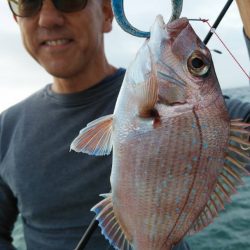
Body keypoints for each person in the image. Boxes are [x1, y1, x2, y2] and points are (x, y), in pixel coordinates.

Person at [0, 0, 191, 249]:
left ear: (107, 13)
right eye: (27, 3)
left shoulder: (183, 103)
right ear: (16, 19)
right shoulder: (6, 128)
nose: (47, 19)